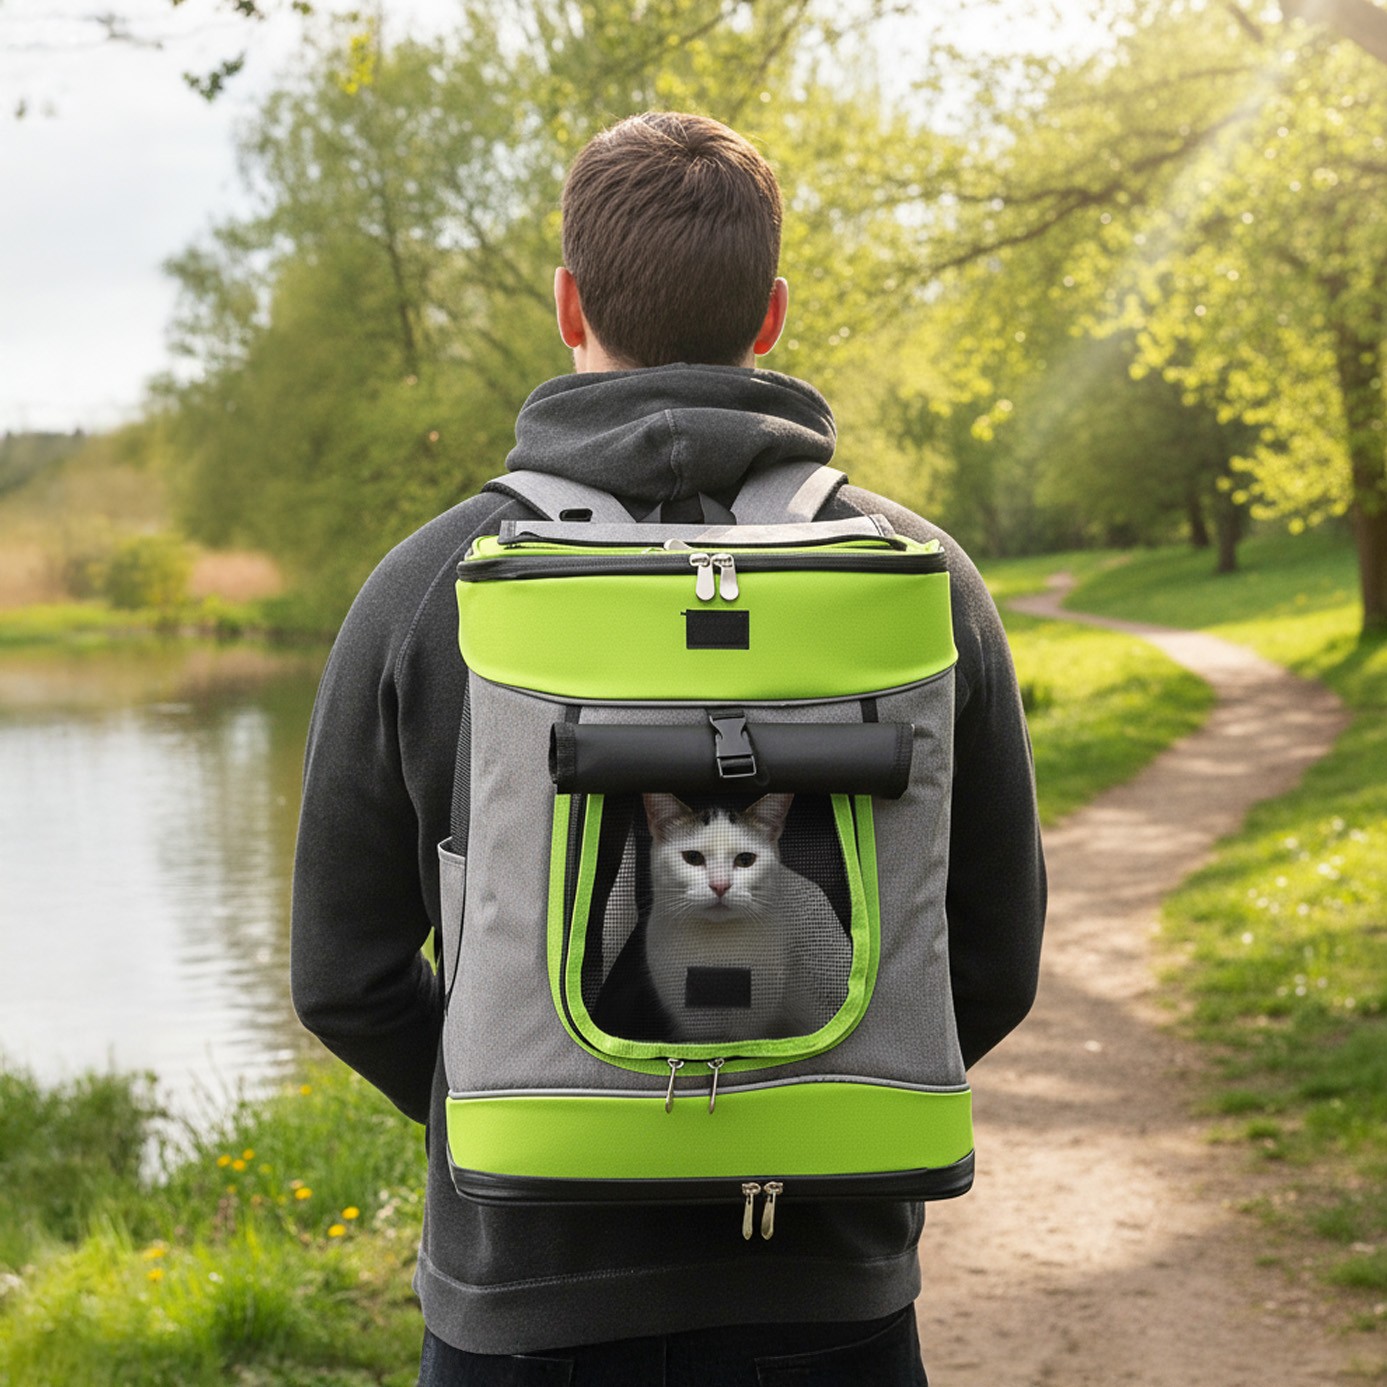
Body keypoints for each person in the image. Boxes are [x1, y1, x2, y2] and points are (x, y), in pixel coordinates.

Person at [291, 110, 1045, 1386]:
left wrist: (522, 1106)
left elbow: (341, 974)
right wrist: (814, 1090)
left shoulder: (433, 588)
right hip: (828, 1289)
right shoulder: (921, 582)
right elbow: (994, 950)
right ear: (771, 316)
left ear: (566, 301)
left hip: (524, 1303)